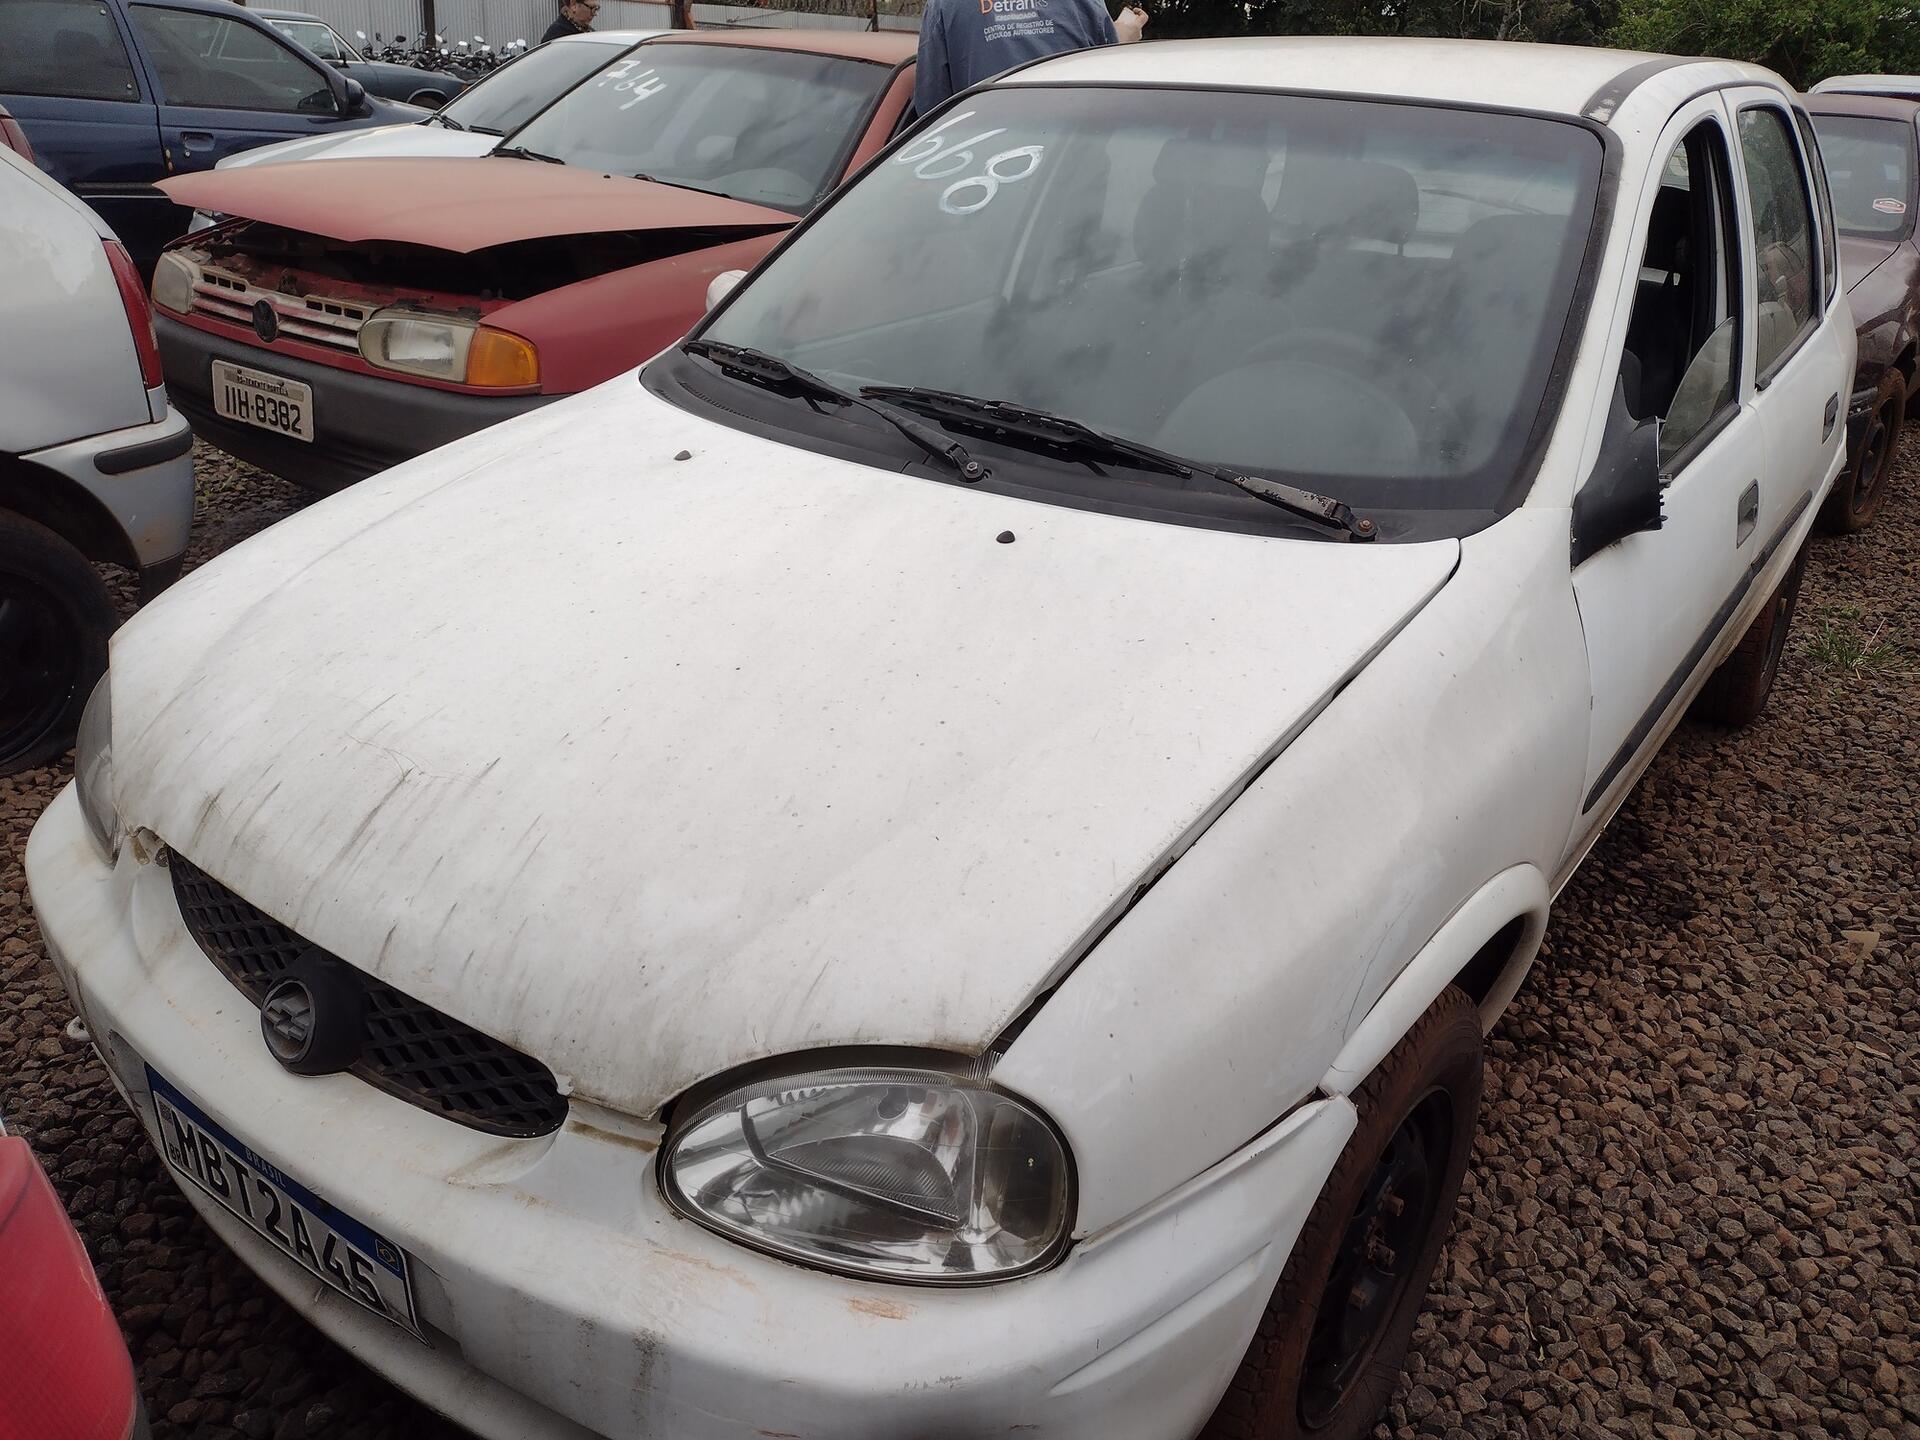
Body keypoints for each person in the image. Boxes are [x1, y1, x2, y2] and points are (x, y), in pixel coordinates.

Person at [914, 0, 1145, 118]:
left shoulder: (944, 5)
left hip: (980, 162)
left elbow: (931, 106)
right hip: (1070, 160)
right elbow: (1109, 84)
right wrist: (1124, 35)